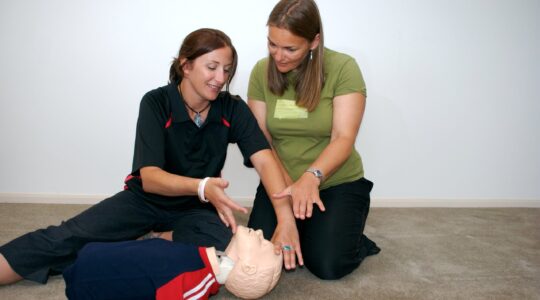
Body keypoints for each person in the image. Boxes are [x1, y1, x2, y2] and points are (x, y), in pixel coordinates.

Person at [0, 28, 291, 285]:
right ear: (186, 65)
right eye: (212, 67)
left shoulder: (232, 109)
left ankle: (151, 240)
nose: (220, 78)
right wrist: (202, 186)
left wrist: (285, 219)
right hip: (145, 201)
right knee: (67, 237)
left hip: (196, 211)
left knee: (229, 250)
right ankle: (134, 241)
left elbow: (265, 159)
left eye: (227, 70)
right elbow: (150, 178)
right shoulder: (156, 102)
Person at [246, 0, 381, 280]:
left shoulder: (343, 68)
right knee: (267, 259)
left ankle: (352, 238)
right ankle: (308, 227)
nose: (278, 56)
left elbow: (343, 138)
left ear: (314, 41)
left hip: (334, 182)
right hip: (281, 182)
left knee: (328, 264)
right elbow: (262, 143)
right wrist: (287, 206)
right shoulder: (261, 71)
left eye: (290, 48)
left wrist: (311, 177)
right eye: (272, 44)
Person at [63, 226, 282, 300]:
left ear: (248, 267)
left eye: (262, 244)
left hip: (88, 280)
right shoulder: (204, 257)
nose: (261, 232)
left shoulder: (199, 281)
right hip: (93, 256)